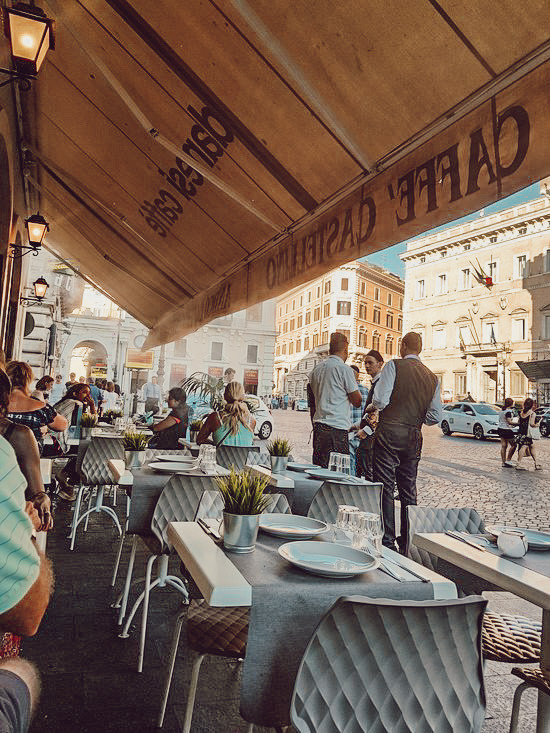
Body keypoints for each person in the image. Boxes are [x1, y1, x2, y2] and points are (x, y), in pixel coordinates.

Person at [368, 332, 442, 552]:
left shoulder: (394, 366)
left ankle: (388, 541)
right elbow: (435, 416)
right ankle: (407, 540)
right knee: (408, 488)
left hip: (389, 431)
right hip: (413, 435)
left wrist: (375, 407)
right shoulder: (432, 376)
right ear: (420, 348)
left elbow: (381, 399)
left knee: (386, 487)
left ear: (403, 346)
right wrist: (417, 418)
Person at [0, 435, 54, 730]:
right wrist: (27, 532)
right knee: (21, 671)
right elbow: (29, 616)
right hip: (15, 600)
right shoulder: (11, 440)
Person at [0, 370, 52, 531]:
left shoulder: (16, 434)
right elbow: (61, 424)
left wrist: (42, 499)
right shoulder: (19, 432)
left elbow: (37, 495)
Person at [308, 332, 362, 468]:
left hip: (319, 428)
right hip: (337, 430)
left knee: (319, 470)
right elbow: (357, 401)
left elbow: (313, 404)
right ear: (345, 349)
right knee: (337, 473)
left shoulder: (316, 370)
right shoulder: (344, 369)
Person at [6, 362, 68, 454]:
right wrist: (45, 426)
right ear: (28, 380)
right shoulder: (40, 407)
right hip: (27, 458)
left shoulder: (2, 404)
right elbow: (62, 425)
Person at [355, 350, 384, 480]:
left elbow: (380, 411)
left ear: (380, 364)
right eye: (365, 363)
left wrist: (365, 430)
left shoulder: (381, 383)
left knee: (370, 475)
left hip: (372, 439)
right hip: (369, 437)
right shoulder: (375, 382)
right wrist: (357, 425)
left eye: (370, 363)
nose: (366, 366)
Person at [197, 381, 255, 446]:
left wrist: (216, 445)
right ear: (243, 397)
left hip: (221, 456)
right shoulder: (252, 421)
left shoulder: (215, 417)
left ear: (224, 396)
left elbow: (200, 440)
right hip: (244, 456)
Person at [348, 365, 369, 476]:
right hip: (363, 434)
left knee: (350, 466)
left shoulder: (346, 391)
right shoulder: (366, 390)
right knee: (362, 467)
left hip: (350, 433)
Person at [515, 398, 541, 470]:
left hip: (521, 432)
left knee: (532, 446)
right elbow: (532, 424)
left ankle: (536, 463)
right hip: (527, 433)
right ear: (532, 405)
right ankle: (518, 463)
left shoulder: (521, 412)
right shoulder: (532, 413)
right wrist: (537, 425)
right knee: (524, 446)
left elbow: (519, 422)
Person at [498, 398, 517, 467]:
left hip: (500, 429)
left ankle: (503, 462)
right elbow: (509, 422)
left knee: (504, 446)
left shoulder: (501, 410)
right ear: (511, 403)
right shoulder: (508, 412)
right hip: (506, 430)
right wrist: (518, 423)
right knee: (514, 445)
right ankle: (508, 460)